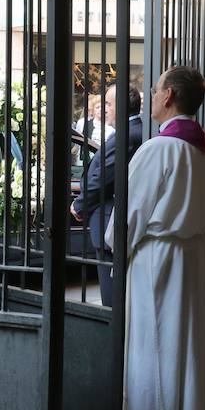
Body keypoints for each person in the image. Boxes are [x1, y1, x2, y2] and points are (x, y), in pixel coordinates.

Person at [107, 67, 205, 410]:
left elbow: (128, 216)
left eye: (155, 89)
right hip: (194, 256)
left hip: (158, 260)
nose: (152, 95)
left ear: (170, 95)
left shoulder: (158, 149)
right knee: (186, 350)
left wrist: (114, 247)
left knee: (152, 351)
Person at [69, 84, 143, 307]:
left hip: (111, 220)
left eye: (109, 104)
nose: (105, 109)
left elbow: (102, 178)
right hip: (111, 219)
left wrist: (79, 205)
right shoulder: (131, 132)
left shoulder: (128, 135)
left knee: (112, 296)